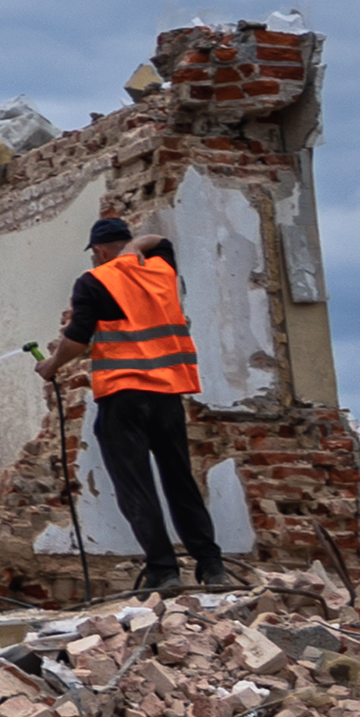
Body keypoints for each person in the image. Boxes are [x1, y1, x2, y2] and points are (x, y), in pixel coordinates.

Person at [42, 215, 231, 593]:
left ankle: (164, 570)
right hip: (167, 395)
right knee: (180, 481)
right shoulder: (160, 273)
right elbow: (159, 240)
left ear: (98, 250)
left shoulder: (94, 281)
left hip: (123, 397)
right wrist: (131, 251)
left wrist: (50, 366)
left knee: (136, 486)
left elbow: (77, 339)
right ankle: (212, 568)